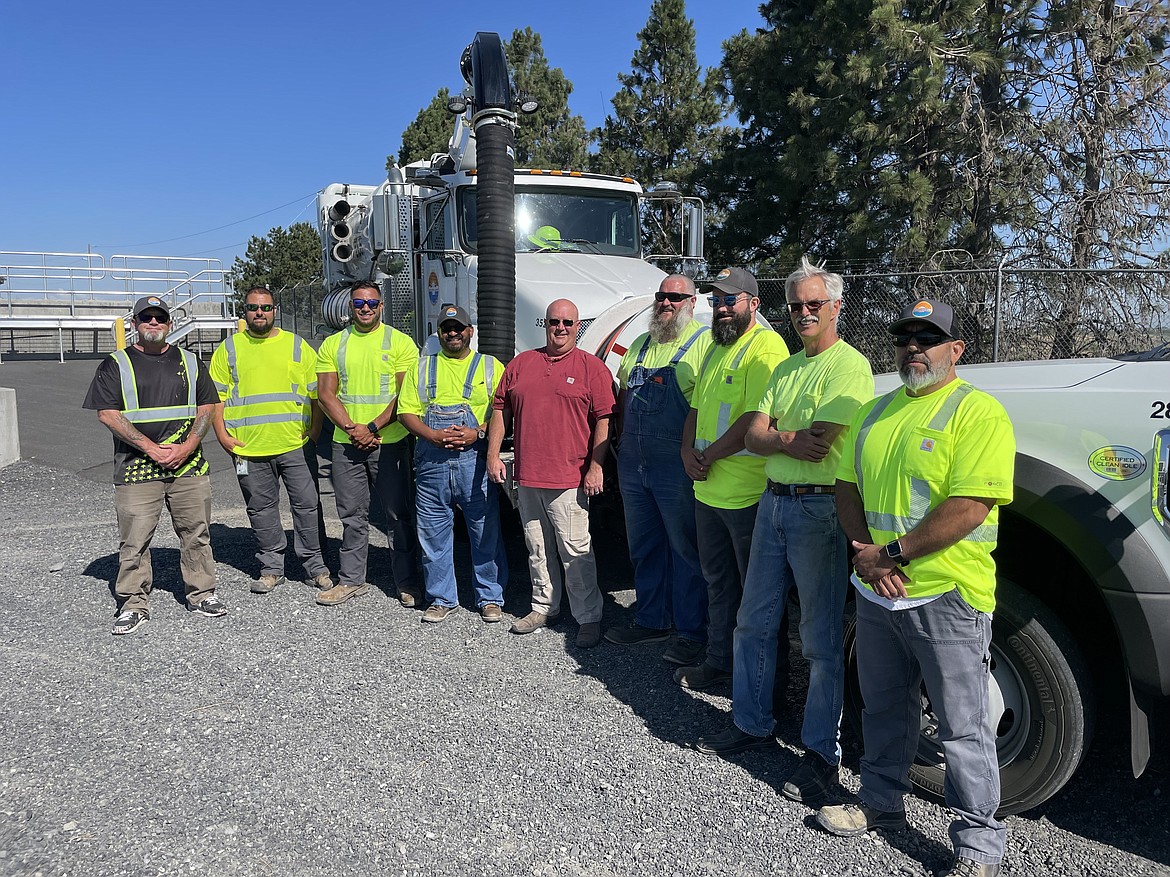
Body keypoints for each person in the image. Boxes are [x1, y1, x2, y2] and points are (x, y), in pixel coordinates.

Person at [816, 299, 1015, 877]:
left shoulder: (978, 413)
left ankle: (978, 847)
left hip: (948, 595)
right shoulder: (874, 412)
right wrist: (865, 555)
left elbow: (971, 505)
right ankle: (878, 803)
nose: (913, 348)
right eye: (904, 337)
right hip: (879, 591)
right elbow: (846, 489)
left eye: (928, 339)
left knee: (962, 726)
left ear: (956, 350)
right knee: (883, 707)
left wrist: (891, 554)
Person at [695, 259, 874, 806]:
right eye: (796, 305)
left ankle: (822, 754)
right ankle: (752, 724)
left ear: (835, 307)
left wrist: (781, 436)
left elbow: (821, 439)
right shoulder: (788, 367)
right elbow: (755, 433)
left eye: (813, 305)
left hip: (819, 512)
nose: (803, 313)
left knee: (819, 639)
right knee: (753, 623)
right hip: (773, 503)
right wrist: (782, 439)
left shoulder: (849, 367)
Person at [83, 295, 227, 635]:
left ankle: (202, 593)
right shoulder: (115, 364)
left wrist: (188, 445)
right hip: (136, 468)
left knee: (196, 533)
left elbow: (207, 407)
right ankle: (133, 603)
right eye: (145, 317)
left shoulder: (191, 362)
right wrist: (152, 448)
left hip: (188, 466)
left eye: (159, 317)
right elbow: (108, 414)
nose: (153, 322)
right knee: (135, 540)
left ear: (169, 324)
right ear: (134, 324)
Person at [675, 267, 789, 690]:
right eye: (716, 301)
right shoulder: (714, 346)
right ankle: (720, 662)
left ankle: (763, 686)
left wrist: (706, 456)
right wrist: (687, 451)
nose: (721, 308)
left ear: (753, 304)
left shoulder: (766, 348)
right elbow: (696, 408)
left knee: (758, 599)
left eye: (730, 300)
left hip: (747, 495)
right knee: (718, 585)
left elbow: (753, 419)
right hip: (708, 489)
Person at [487, 298, 615, 648]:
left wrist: (596, 466)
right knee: (537, 547)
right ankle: (544, 606)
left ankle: (588, 617)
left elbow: (605, 419)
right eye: (554, 322)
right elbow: (500, 409)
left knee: (576, 551)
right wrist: (494, 454)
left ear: (578, 327)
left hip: (569, 479)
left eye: (567, 323)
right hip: (527, 476)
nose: (560, 328)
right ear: (545, 324)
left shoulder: (592, 369)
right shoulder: (521, 364)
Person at [606, 274, 712, 667]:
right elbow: (620, 398)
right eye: (662, 296)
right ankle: (651, 619)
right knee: (644, 545)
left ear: (691, 301)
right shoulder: (639, 344)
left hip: (676, 465)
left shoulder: (704, 344)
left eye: (676, 297)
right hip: (634, 461)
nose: (666, 303)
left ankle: (690, 632)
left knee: (685, 549)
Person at [209, 287, 333, 595]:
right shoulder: (229, 349)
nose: (259, 313)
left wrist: (314, 432)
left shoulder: (297, 346)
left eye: (265, 307)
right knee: (260, 509)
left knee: (307, 506)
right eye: (253, 308)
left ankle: (315, 567)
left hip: (295, 445)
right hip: (248, 450)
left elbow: (316, 395)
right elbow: (216, 400)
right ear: (245, 312)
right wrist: (223, 436)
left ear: (274, 309)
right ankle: (271, 568)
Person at [398, 303, 508, 623]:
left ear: (470, 331)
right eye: (447, 329)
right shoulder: (422, 367)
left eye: (459, 328)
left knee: (484, 532)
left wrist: (479, 432)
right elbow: (406, 412)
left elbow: (504, 413)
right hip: (432, 463)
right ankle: (441, 598)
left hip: (474, 463)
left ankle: (489, 597)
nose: (453, 333)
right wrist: (430, 434)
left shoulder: (490, 367)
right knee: (433, 535)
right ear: (439, 333)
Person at [315, 281, 421, 607]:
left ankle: (407, 582)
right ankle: (351, 580)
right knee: (351, 515)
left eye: (371, 303)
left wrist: (373, 426)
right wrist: (351, 428)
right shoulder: (334, 344)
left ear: (381, 306)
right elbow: (325, 394)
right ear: (350, 305)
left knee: (398, 514)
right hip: (347, 442)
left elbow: (405, 394)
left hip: (390, 442)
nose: (365, 309)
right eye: (359, 303)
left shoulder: (400, 342)